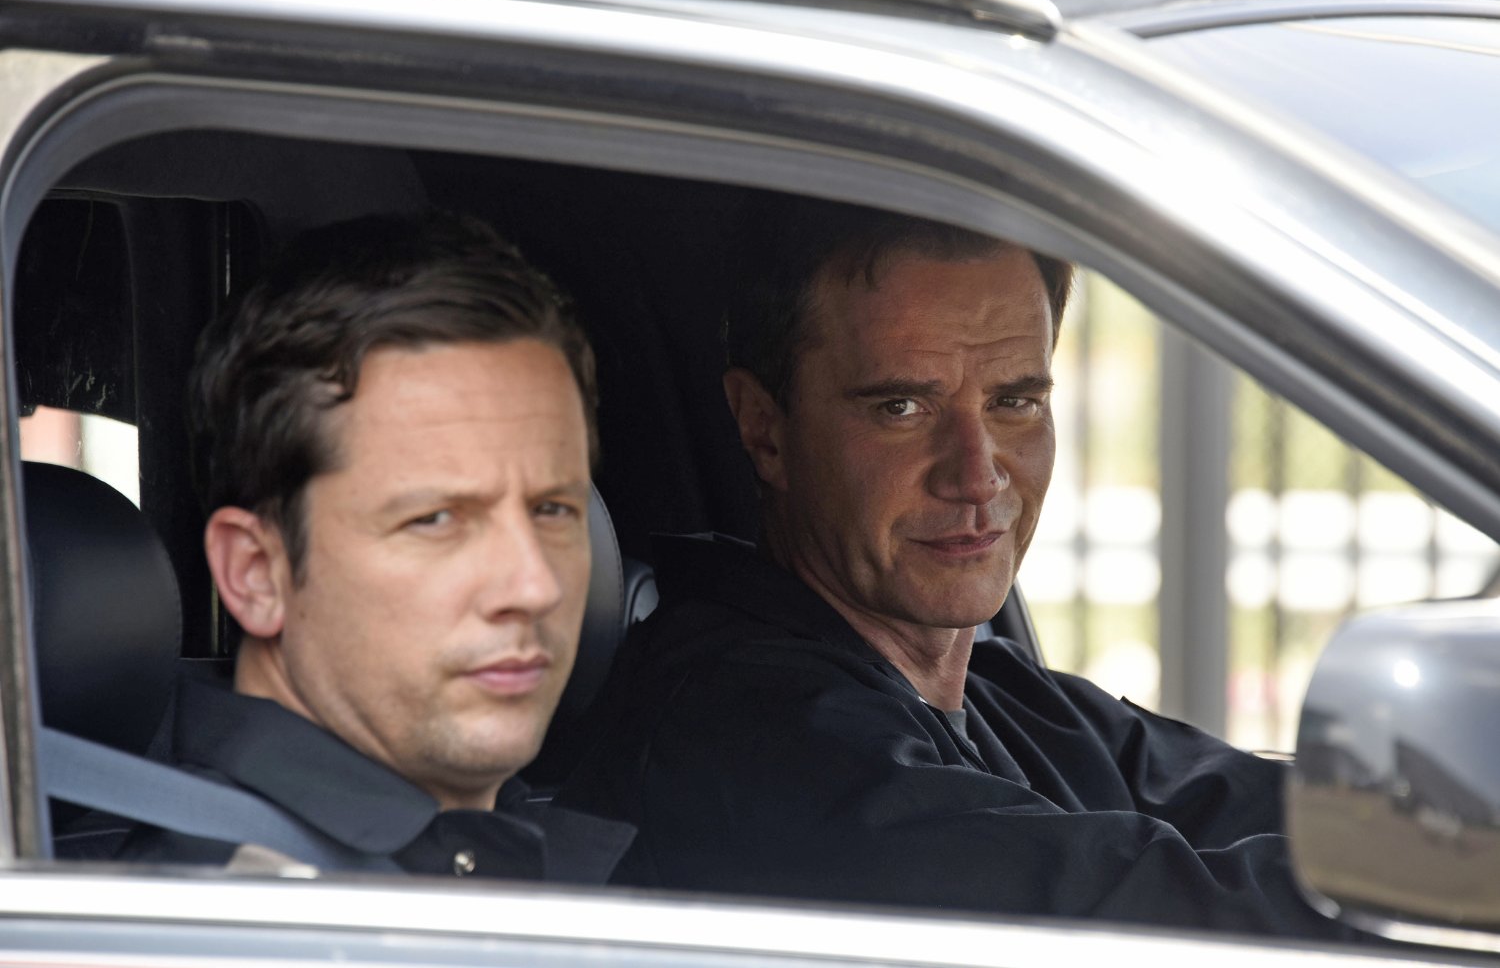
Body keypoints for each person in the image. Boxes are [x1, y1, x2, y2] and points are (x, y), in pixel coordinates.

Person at [558, 198, 1356, 938]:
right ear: (765, 428)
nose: (977, 476)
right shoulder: (748, 747)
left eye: (1015, 402)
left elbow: (1271, 807)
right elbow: (1168, 922)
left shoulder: (997, 692)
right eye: (901, 408)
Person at [119, 212, 632, 881]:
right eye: (436, 518)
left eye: (553, 509)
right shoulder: (218, 915)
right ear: (257, 574)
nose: (536, 586)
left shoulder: (502, 855)